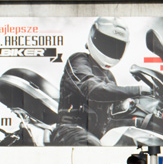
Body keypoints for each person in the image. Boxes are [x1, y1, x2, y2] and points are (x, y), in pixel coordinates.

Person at [51, 17, 144, 146]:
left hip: (97, 137)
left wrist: (140, 122)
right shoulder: (79, 60)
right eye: (106, 42)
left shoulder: (109, 77)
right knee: (91, 145)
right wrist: (139, 90)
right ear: (94, 37)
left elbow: (114, 116)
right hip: (69, 130)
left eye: (116, 45)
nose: (110, 48)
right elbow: (93, 90)